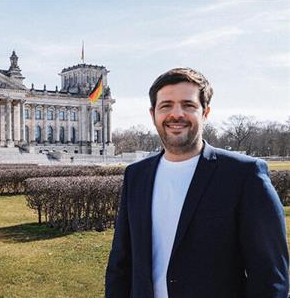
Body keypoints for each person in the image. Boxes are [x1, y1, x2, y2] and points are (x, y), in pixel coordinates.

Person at [105, 67, 289, 298]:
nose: (176, 114)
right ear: (153, 115)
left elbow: (270, 276)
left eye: (188, 105)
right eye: (166, 106)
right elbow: (120, 264)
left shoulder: (244, 175)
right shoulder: (136, 175)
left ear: (205, 113)